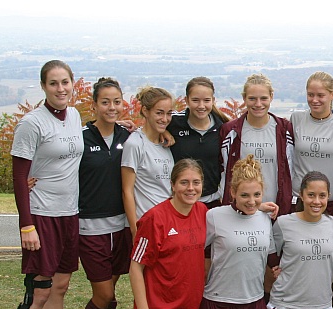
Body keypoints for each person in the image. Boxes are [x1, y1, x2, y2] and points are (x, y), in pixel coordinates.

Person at [6, 60, 89, 309]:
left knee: (60, 287)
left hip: (69, 214)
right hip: (41, 215)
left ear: (72, 83)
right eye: (53, 83)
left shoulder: (75, 116)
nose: (61, 88)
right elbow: (18, 175)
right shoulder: (32, 123)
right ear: (43, 87)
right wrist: (27, 226)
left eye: (65, 82)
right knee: (38, 291)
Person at [92, 159, 208, 309]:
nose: (190, 188)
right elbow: (136, 267)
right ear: (173, 185)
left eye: (196, 182)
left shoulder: (203, 212)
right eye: (184, 182)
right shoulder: (155, 218)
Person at [75, 77, 132, 309]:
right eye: (105, 101)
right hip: (90, 227)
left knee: (112, 291)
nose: (112, 107)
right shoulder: (80, 136)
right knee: (104, 295)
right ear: (94, 104)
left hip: (121, 227)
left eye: (116, 101)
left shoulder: (128, 136)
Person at [200, 155, 274, 309]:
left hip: (253, 303)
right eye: (244, 195)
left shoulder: (265, 217)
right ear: (232, 193)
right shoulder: (214, 216)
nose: (251, 201)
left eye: (256, 195)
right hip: (219, 303)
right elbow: (197, 250)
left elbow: (268, 259)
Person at [267, 171, 333, 309]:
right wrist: (274, 267)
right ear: (301, 195)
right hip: (285, 305)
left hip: (319, 307)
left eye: (322, 195)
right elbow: (271, 252)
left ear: (328, 196)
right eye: (311, 195)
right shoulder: (284, 223)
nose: (316, 201)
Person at [221, 73, 294, 217]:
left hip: (277, 210)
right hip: (241, 212)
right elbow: (225, 171)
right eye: (252, 98)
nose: (258, 104)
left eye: (264, 98)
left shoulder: (284, 129)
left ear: (271, 97)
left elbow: (291, 169)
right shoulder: (230, 131)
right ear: (244, 98)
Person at [290, 72, 333, 217]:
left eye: (320, 95)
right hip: (302, 202)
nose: (314, 100)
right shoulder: (296, 119)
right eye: (310, 95)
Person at [121, 87, 176, 236]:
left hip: (167, 222)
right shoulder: (135, 144)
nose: (165, 119)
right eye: (159, 113)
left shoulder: (165, 143)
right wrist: (134, 230)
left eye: (168, 113)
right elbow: (127, 191)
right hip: (145, 222)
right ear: (145, 111)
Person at [168, 77, 228, 208]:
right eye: (195, 100)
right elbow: (148, 130)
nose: (201, 106)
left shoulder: (223, 128)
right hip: (179, 202)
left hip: (212, 201)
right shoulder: (173, 123)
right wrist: (163, 132)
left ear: (213, 100)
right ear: (186, 100)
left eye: (206, 100)